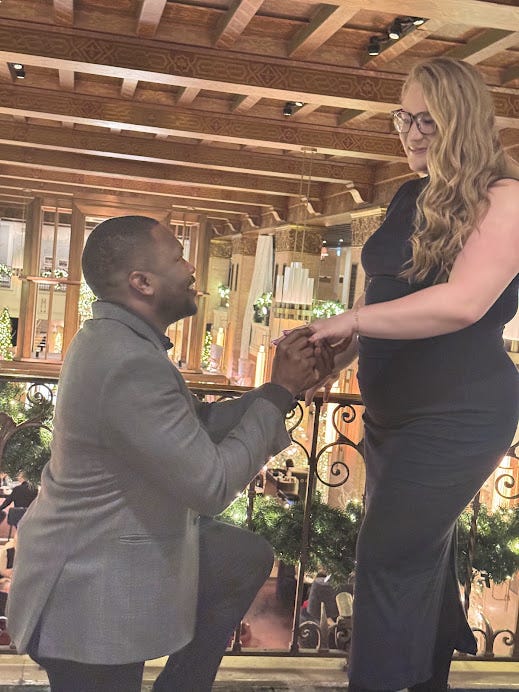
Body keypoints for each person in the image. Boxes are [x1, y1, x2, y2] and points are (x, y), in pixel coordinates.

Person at [7, 215, 331, 692]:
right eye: (178, 258)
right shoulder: (127, 361)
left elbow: (197, 424)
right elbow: (212, 486)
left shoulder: (121, 342)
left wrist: (281, 390)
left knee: (242, 555)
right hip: (87, 592)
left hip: (104, 558)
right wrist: (280, 391)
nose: (192, 269)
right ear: (142, 282)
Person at [306, 57, 519, 691]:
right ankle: (428, 681)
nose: (410, 132)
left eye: (428, 119)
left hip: (459, 414)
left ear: (464, 121)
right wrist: (343, 350)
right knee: (418, 557)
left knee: (387, 557)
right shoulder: (409, 194)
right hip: (390, 417)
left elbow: (462, 304)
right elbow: (386, 293)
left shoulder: (506, 198)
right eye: (404, 117)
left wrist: (349, 320)